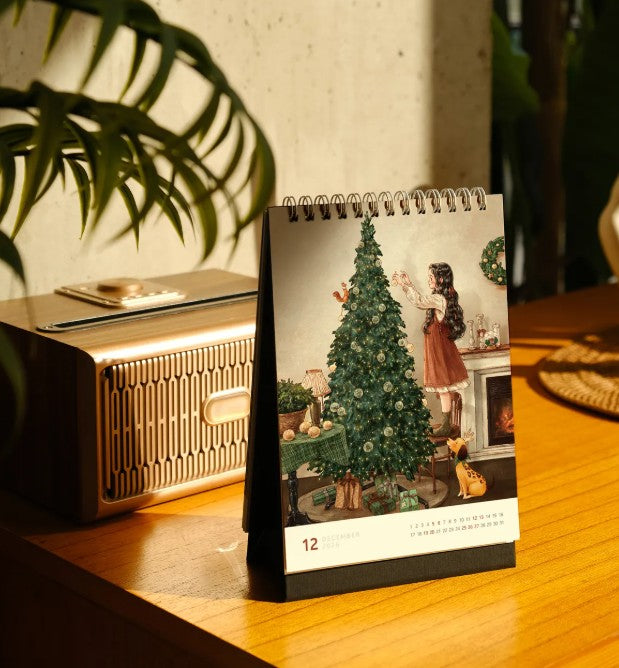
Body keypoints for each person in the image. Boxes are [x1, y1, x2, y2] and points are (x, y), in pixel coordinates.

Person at [392, 263, 469, 436]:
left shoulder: (440, 299)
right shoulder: (441, 297)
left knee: (443, 388)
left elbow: (419, 301)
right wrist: (409, 284)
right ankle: (446, 423)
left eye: (431, 277)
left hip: (440, 351)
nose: (428, 280)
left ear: (440, 279)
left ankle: (446, 425)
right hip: (438, 350)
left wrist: (405, 285)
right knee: (444, 389)